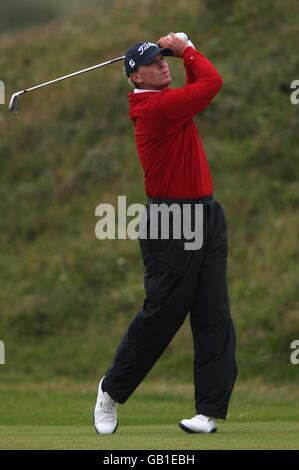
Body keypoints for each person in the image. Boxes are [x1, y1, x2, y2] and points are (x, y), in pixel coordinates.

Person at [94, 32, 237, 434]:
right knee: (163, 315)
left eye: (165, 59)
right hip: (171, 221)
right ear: (135, 78)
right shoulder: (153, 108)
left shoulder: (168, 102)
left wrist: (181, 54)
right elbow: (211, 84)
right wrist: (187, 48)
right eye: (154, 63)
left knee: (214, 314)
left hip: (207, 215)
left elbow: (200, 85)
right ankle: (111, 390)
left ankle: (207, 412)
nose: (163, 65)